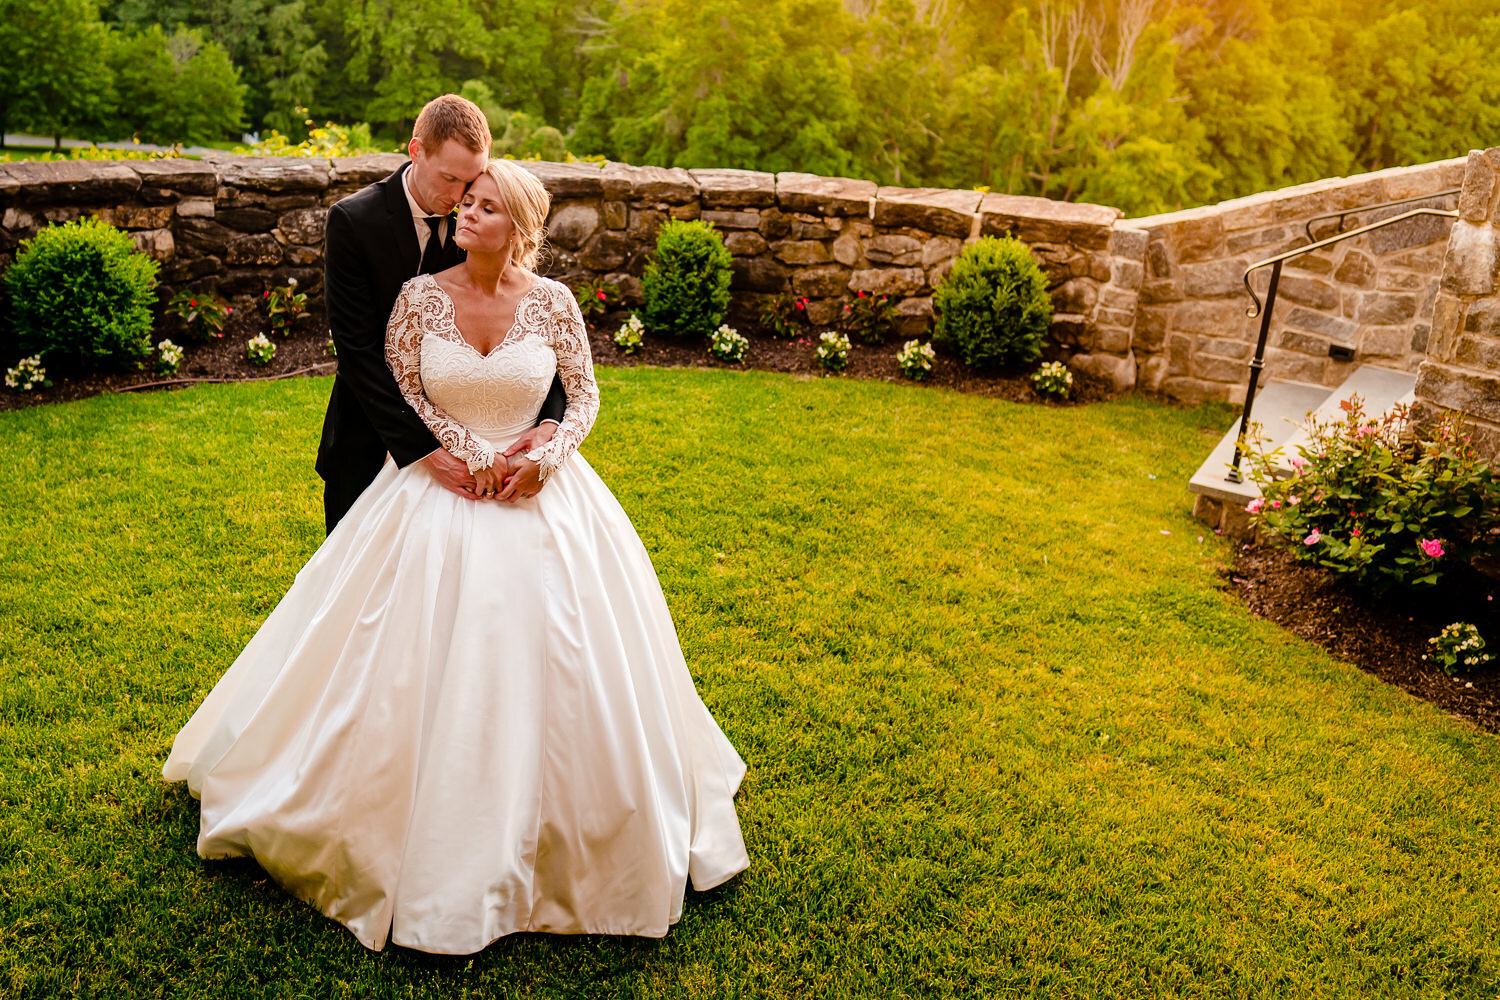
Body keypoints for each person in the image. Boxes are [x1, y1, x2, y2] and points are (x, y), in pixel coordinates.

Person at [162, 158, 749, 953]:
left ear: (520, 230)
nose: (465, 215)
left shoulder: (553, 304)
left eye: (484, 208)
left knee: (574, 666)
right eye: (464, 201)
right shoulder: (417, 298)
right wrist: (467, 449)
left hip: (543, 497)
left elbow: (584, 395)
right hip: (437, 492)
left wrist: (550, 451)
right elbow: (403, 385)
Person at [317, 93, 566, 533]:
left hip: (479, 436)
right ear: (416, 151)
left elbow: (533, 329)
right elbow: (357, 351)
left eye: (470, 185)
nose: (459, 199)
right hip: (370, 433)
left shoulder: (477, 222)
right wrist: (428, 452)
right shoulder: (354, 221)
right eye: (450, 180)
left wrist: (547, 422)